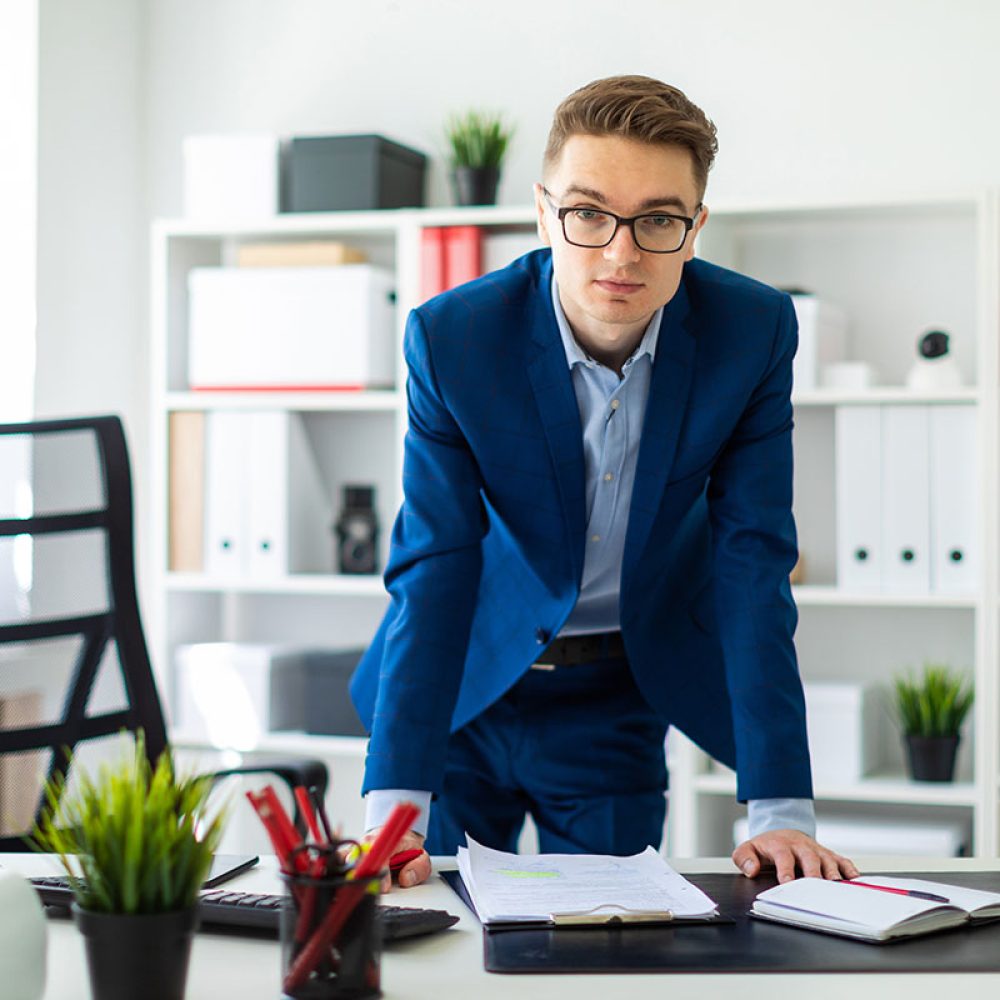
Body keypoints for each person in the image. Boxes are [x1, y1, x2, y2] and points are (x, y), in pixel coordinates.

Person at [350, 75, 859, 889]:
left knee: (612, 947)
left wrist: (781, 812)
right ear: (544, 211)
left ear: (694, 229)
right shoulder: (452, 340)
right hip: (462, 685)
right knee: (425, 933)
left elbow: (753, 565)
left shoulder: (752, 332)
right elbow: (434, 568)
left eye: (657, 218)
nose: (620, 252)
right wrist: (393, 811)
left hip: (616, 691)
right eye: (588, 213)